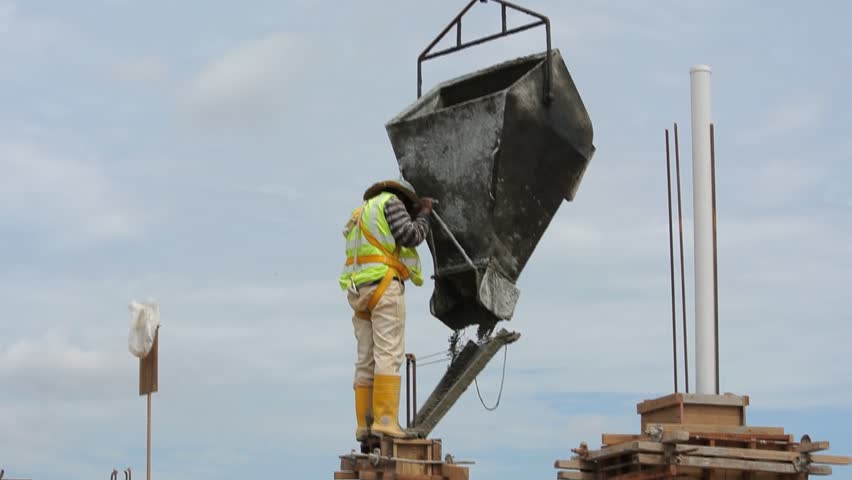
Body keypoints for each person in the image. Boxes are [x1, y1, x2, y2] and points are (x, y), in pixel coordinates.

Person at [339, 177, 433, 440]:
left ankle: (364, 425)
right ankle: (386, 422)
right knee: (388, 354)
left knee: (366, 358)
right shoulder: (392, 203)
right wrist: (424, 215)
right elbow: (410, 235)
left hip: (359, 290)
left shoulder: (360, 213)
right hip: (383, 286)